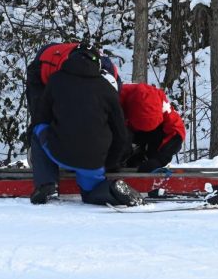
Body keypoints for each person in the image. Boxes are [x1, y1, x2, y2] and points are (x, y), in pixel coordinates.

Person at [28, 43, 139, 206]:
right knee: (90, 194)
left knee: (38, 130)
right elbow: (121, 135)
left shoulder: (55, 80)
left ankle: (46, 183)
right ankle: (110, 190)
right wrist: (109, 164)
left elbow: (41, 117)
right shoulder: (108, 89)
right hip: (93, 160)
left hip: (59, 153)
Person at [118, 83, 185, 172]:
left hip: (150, 137)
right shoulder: (115, 98)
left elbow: (177, 132)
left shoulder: (163, 105)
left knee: (166, 137)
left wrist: (160, 160)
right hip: (123, 132)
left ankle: (144, 159)